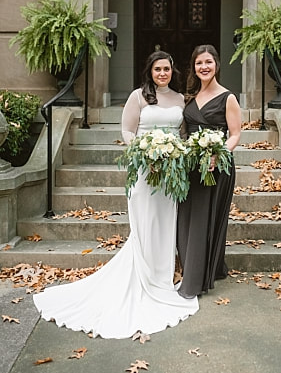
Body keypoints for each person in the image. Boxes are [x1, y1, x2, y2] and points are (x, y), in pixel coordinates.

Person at [33, 51, 199, 338]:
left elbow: (181, 134)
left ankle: (161, 278)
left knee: (166, 222)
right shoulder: (138, 97)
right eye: (157, 69)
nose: (162, 73)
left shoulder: (180, 98)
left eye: (167, 69)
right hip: (145, 172)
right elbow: (127, 131)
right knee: (145, 224)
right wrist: (145, 151)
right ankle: (144, 278)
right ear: (150, 71)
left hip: (170, 173)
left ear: (173, 71)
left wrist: (176, 152)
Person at [176, 45, 241, 298]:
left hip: (216, 167)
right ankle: (208, 267)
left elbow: (235, 134)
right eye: (199, 63)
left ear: (217, 65)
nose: (204, 67)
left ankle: (196, 279)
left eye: (208, 62)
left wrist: (218, 153)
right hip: (191, 166)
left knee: (205, 220)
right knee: (186, 218)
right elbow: (184, 131)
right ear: (194, 67)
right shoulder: (189, 97)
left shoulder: (228, 98)